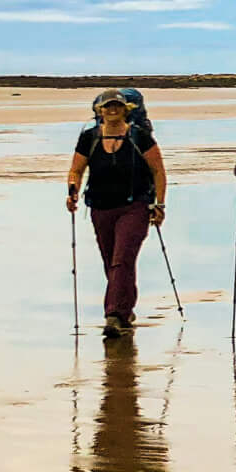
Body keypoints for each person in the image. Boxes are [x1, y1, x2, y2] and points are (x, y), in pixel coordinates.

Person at [66, 92, 167, 340]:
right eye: (108, 107)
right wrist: (72, 190)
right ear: (99, 111)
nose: (112, 110)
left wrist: (159, 205)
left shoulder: (139, 137)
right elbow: (76, 170)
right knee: (112, 261)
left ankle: (113, 315)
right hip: (100, 208)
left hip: (135, 207)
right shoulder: (89, 138)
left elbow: (158, 171)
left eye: (117, 107)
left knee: (121, 258)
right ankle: (126, 309)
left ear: (126, 110)